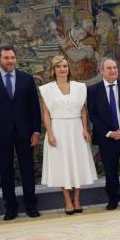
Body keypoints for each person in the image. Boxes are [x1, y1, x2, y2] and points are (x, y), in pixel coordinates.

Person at [39, 55, 98, 214]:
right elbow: (46, 114)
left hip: (76, 129)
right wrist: (49, 133)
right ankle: (67, 201)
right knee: (62, 166)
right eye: (58, 66)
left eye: (65, 66)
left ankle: (77, 199)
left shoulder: (80, 87)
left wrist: (85, 129)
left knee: (77, 164)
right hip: (57, 129)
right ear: (53, 70)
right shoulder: (46, 89)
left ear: (69, 68)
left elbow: (83, 110)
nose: (62, 69)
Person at [87, 57, 120, 210]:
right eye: (109, 68)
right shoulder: (93, 90)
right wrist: (109, 133)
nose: (113, 71)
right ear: (101, 71)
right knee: (110, 170)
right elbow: (93, 115)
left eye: (115, 68)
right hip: (107, 138)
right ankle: (113, 199)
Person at [0, 45, 42, 220]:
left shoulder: (26, 79)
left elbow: (34, 108)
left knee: (27, 170)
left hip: (25, 133)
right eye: (6, 58)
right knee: (6, 171)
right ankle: (11, 208)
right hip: (1, 135)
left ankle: (31, 206)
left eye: (12, 58)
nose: (10, 61)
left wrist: (36, 131)